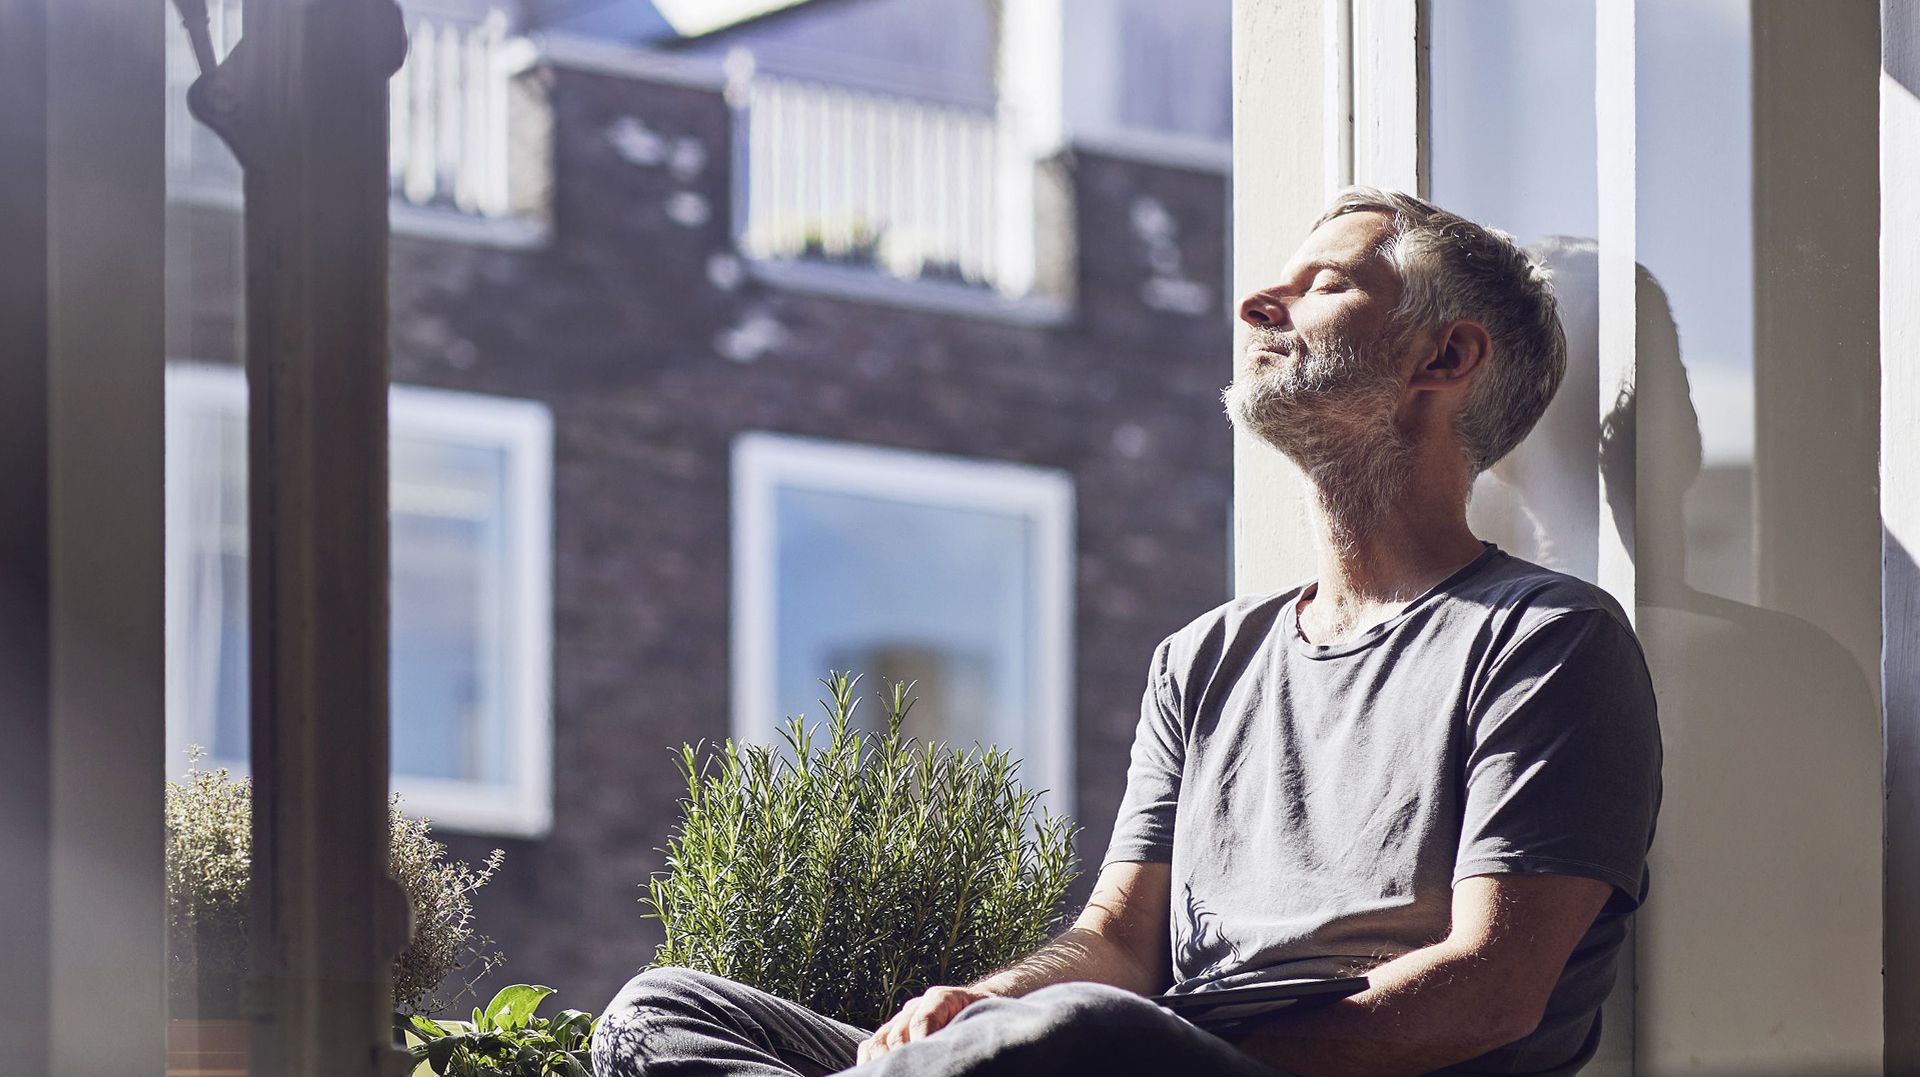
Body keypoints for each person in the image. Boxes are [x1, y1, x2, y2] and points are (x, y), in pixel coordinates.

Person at [590, 188, 1662, 1077]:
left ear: (1446, 358)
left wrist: (1085, 1045)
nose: (1257, 301)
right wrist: (982, 1004)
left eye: (1325, 283)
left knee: (1083, 1036)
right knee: (661, 1012)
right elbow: (1114, 940)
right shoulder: (1205, 660)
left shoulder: (1545, 641)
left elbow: (1489, 991)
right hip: (1117, 1055)